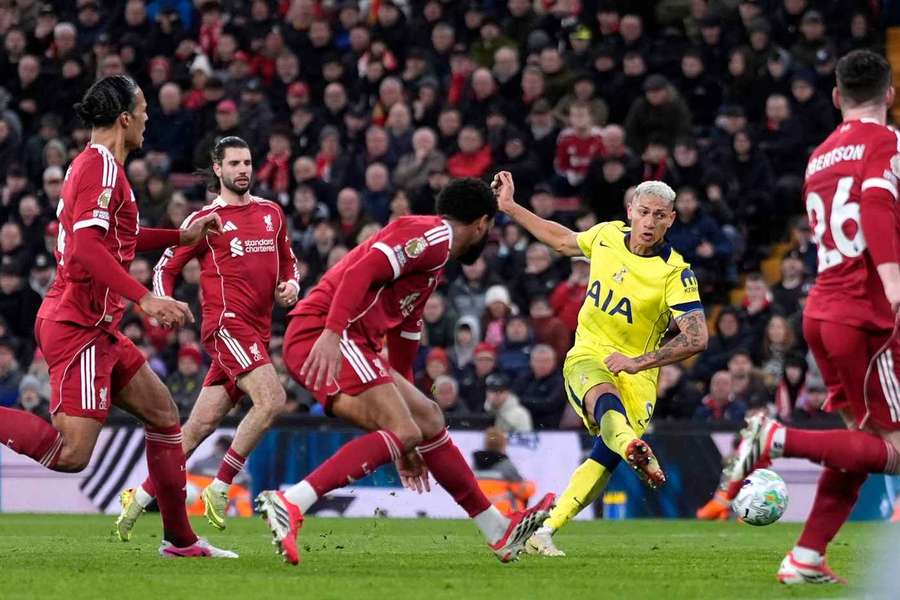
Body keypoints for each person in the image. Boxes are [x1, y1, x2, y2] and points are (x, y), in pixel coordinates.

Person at [254, 178, 554, 566]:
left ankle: (499, 530)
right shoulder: (428, 236)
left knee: (426, 417)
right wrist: (330, 332)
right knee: (405, 428)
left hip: (348, 339)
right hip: (327, 333)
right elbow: (358, 272)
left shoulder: (435, 260)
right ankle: (291, 501)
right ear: (482, 224)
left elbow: (405, 335)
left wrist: (405, 434)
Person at [0, 76, 233, 558]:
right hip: (78, 326)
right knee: (71, 455)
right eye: (144, 108)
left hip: (95, 325)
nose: (149, 117)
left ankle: (180, 542)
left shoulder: (100, 169)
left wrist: (179, 237)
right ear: (125, 118)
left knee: (165, 416)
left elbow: (116, 238)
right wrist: (145, 298)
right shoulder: (101, 169)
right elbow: (86, 248)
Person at [728, 50, 900, 585]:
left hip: (822, 310)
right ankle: (777, 438)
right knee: (894, 451)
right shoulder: (886, 142)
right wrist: (893, 282)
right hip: (864, 315)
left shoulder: (819, 155)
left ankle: (804, 558)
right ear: (889, 94)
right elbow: (875, 205)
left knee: (860, 445)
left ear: (835, 97)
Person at [492, 172, 708, 557]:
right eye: (644, 212)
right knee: (604, 400)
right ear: (631, 211)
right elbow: (560, 240)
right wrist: (509, 207)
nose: (650, 222)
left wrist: (638, 362)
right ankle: (633, 445)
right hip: (589, 354)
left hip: (638, 375)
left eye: (660, 215)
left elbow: (697, 337)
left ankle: (545, 531)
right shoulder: (607, 235)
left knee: (604, 456)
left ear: (671, 220)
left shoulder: (675, 273)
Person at [116, 136, 300, 537]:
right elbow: (165, 266)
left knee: (196, 429)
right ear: (218, 169)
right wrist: (161, 301)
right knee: (272, 400)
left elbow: (289, 263)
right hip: (226, 325)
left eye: (248, 162)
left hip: (256, 332)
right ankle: (220, 487)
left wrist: (291, 286)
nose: (243, 170)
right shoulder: (206, 219)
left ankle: (139, 498)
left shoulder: (272, 213)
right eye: (234, 163)